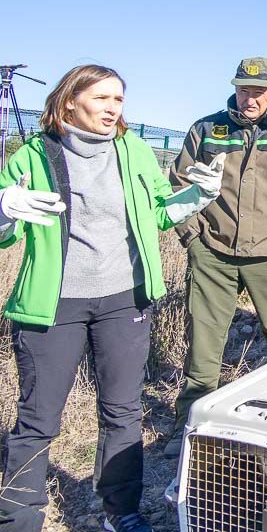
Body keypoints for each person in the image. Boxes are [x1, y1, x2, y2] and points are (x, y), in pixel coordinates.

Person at [0, 65, 224, 532]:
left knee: (122, 412)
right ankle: (19, 520)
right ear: (68, 101)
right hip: (52, 305)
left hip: (125, 299)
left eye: (118, 100)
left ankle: (121, 512)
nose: (112, 108)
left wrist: (200, 195)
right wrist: (3, 211)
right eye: (102, 98)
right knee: (37, 420)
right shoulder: (34, 155)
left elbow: (163, 213)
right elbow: (5, 235)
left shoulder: (134, 150)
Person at [166, 57, 267, 454]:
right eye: (243, 89)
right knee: (204, 341)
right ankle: (188, 424)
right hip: (214, 253)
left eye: (258, 91)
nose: (249, 98)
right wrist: (192, 238)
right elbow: (178, 184)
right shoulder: (206, 130)